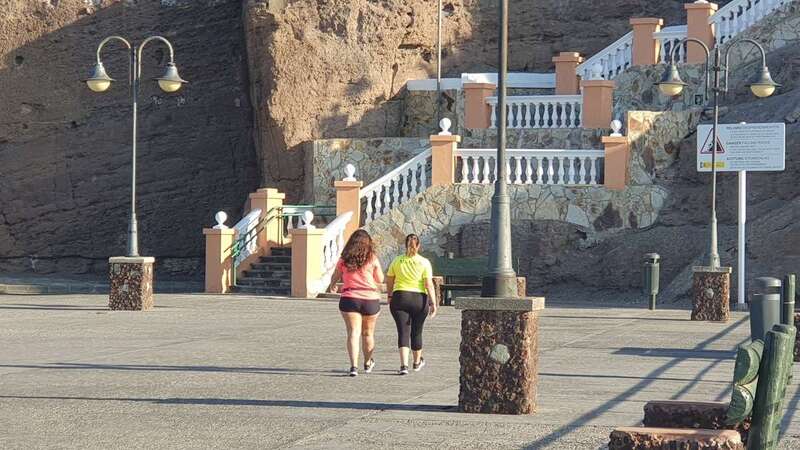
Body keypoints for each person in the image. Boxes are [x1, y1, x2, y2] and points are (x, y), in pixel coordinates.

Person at [327, 230, 384, 377]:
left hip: (350, 297)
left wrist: (333, 284)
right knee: (368, 333)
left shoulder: (345, 259)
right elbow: (380, 279)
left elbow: (335, 275)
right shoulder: (372, 258)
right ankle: (367, 362)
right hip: (370, 298)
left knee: (353, 333)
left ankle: (353, 366)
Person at [386, 234, 437, 375]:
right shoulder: (424, 262)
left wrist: (389, 295)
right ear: (419, 246)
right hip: (419, 299)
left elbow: (389, 280)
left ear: (405, 246)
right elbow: (429, 284)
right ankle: (416, 362)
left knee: (403, 331)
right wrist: (433, 303)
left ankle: (403, 366)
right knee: (417, 331)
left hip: (400, 297)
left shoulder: (397, 261)